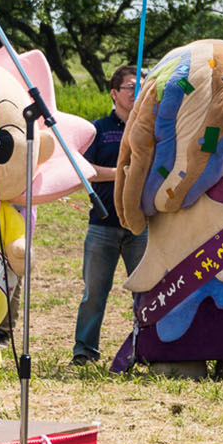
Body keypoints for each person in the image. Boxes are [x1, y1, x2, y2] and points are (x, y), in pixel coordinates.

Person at [73, 67, 148, 365]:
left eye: (141, 87)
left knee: (145, 293)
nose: (136, 93)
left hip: (141, 226)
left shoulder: (150, 130)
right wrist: (123, 175)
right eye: (130, 87)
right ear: (114, 93)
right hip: (102, 225)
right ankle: (84, 351)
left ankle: (145, 348)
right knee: (94, 293)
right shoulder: (99, 130)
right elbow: (85, 171)